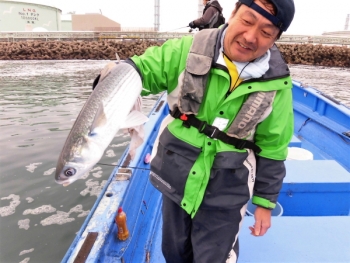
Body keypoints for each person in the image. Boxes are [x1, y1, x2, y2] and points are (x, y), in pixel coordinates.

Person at [93, 0, 295, 262]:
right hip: (176, 176)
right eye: (246, 21)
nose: (250, 37)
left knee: (213, 256)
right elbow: (144, 70)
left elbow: (273, 147)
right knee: (174, 252)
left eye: (266, 32)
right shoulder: (186, 50)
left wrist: (265, 204)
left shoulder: (277, 86)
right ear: (232, 14)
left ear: (276, 38)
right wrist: (112, 80)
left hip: (228, 189)